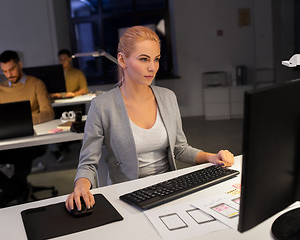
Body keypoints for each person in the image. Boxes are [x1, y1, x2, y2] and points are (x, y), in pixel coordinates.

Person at [65, 26, 234, 212]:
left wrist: (212, 157)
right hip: (127, 195)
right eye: (144, 59)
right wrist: (80, 187)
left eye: (156, 59)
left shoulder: (168, 97)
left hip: (169, 189)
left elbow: (181, 149)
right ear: (122, 59)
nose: (152, 67)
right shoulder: (102, 105)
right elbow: (88, 162)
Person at [0, 50, 55, 208]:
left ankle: (13, 191)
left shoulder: (36, 83)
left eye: (12, 69)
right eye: (4, 71)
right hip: (8, 142)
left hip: (32, 141)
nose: (9, 74)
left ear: (19, 64)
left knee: (22, 152)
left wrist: (23, 121)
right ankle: (14, 189)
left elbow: (48, 113)